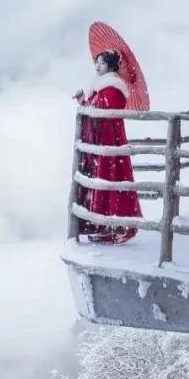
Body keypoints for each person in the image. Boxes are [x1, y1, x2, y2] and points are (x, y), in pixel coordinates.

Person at [73, 50, 143, 243]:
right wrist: (83, 100)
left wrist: (90, 106)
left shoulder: (114, 88)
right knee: (103, 178)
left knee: (109, 177)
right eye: (96, 62)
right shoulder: (101, 87)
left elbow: (103, 110)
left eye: (102, 63)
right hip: (101, 139)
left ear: (111, 67)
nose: (97, 66)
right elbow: (93, 107)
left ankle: (115, 225)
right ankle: (103, 224)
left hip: (108, 138)